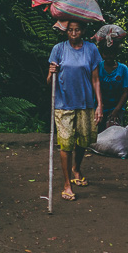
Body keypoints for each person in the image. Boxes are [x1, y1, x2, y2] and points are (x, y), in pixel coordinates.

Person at [48, 19, 103, 201]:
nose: (73, 33)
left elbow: (96, 79)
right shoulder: (58, 49)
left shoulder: (91, 50)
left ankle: (76, 168)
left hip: (86, 102)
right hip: (63, 104)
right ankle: (67, 184)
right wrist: (51, 71)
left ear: (83, 30)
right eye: (70, 30)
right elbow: (49, 81)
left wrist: (99, 105)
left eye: (77, 30)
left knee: (83, 141)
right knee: (66, 144)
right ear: (66, 31)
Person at [96, 29, 128, 127]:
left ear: (116, 53)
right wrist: (100, 105)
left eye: (111, 53)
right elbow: (94, 86)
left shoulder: (122, 69)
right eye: (106, 54)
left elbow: (125, 92)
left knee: (113, 132)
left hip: (117, 107)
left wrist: (116, 110)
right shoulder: (98, 67)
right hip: (101, 106)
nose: (108, 56)